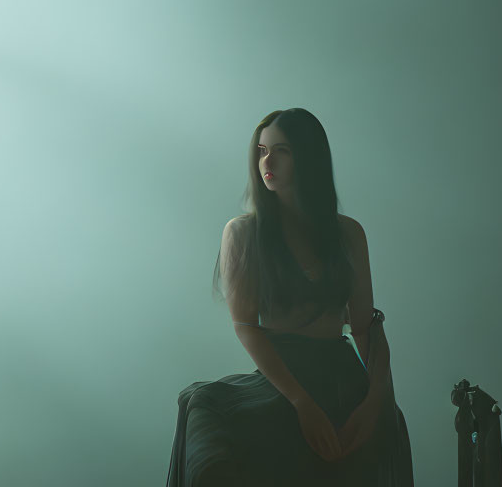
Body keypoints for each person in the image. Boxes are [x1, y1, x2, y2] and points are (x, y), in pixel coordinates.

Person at [165, 108, 415, 486]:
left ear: (308, 156)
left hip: (340, 376)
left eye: (281, 150)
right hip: (281, 377)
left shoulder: (348, 234)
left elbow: (366, 329)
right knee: (200, 406)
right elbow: (246, 326)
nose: (268, 161)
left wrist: (374, 403)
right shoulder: (243, 234)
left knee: (381, 429)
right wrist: (301, 402)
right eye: (262, 150)